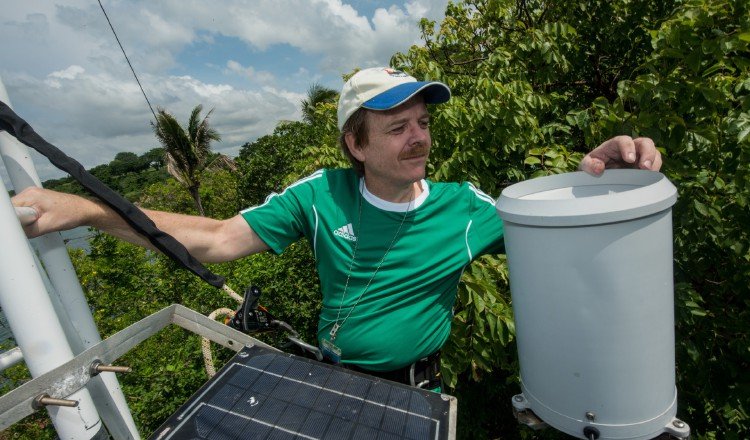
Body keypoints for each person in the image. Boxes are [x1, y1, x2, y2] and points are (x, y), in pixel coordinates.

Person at [11, 67, 662, 390]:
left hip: (419, 385)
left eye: (424, 123)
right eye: (398, 127)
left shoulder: (465, 208)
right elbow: (216, 239)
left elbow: (554, 233)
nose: (419, 138)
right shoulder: (320, 196)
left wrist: (590, 173)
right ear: (356, 144)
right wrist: (88, 209)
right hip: (330, 375)